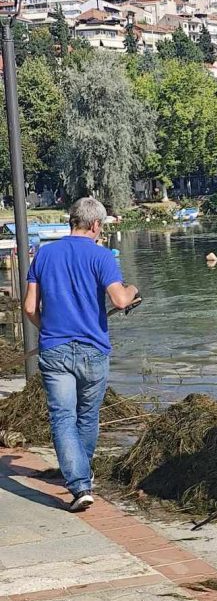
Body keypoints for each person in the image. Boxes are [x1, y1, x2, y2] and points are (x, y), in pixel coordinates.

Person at [22, 197, 140, 512]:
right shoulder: (102, 256)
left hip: (55, 349)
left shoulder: (45, 254)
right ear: (96, 225)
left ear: (71, 220)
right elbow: (119, 300)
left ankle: (79, 484)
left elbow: (30, 307)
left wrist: (46, 327)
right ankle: (81, 479)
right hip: (93, 350)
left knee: (62, 417)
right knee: (87, 416)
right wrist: (132, 290)